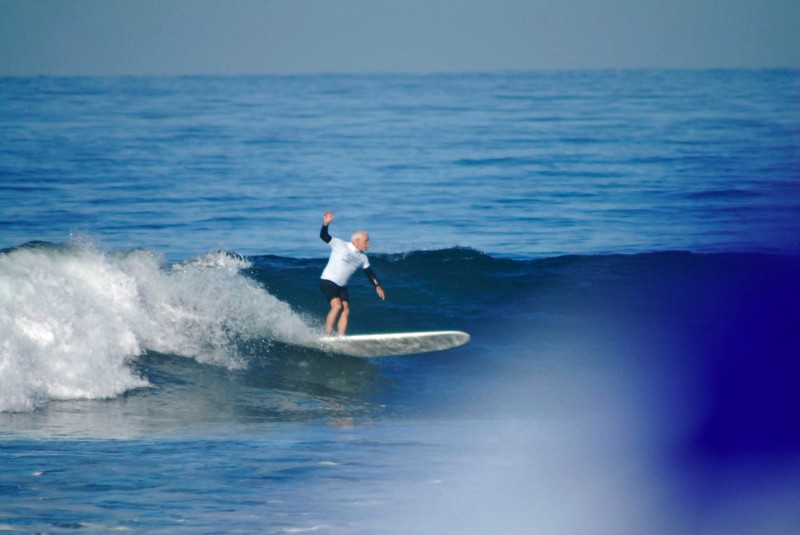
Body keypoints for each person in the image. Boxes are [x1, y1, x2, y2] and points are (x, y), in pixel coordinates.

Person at [319, 210, 385, 335]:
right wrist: (326, 223)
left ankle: (341, 337)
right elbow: (324, 236)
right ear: (356, 241)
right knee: (337, 306)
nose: (369, 243)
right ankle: (326, 335)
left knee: (346, 310)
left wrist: (378, 286)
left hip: (342, 286)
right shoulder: (341, 245)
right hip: (328, 281)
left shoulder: (363, 257)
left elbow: (369, 273)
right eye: (366, 240)